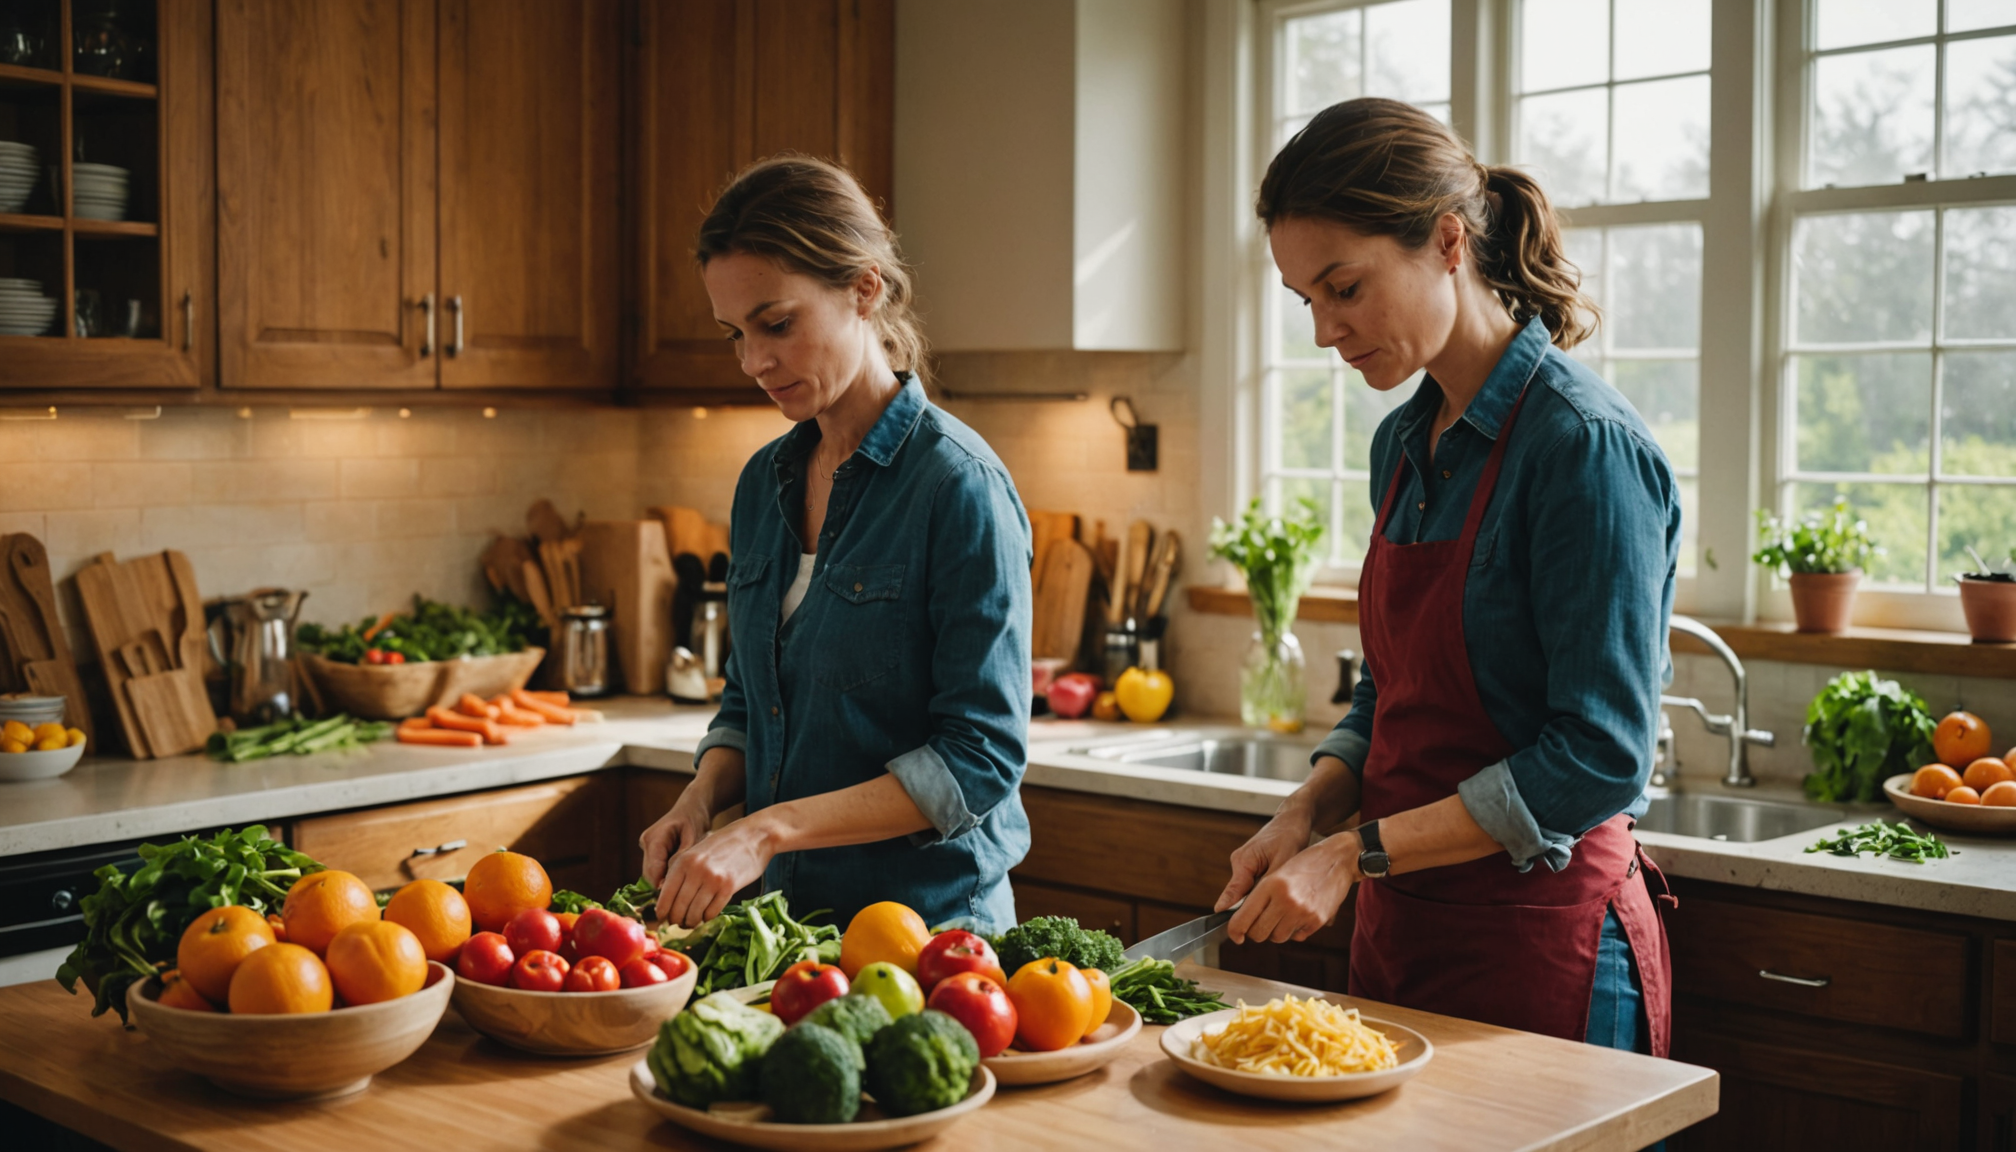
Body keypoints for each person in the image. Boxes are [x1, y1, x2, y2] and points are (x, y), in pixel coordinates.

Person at [1216, 98, 1681, 1063]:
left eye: (1344, 287)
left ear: (1445, 240)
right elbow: (1396, 688)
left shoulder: (1581, 448)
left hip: (1542, 939)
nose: (1324, 331)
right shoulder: (1403, 441)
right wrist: (1307, 814)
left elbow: (1599, 757)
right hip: (1404, 931)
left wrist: (1353, 852)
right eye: (1308, 300)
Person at [637, 155, 1033, 935]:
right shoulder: (764, 483)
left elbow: (978, 759)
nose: (754, 362)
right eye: (736, 334)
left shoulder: (959, 487)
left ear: (864, 288)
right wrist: (703, 797)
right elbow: (753, 702)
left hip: (929, 938)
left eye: (776, 324)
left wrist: (765, 828)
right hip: (783, 932)